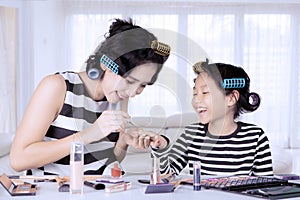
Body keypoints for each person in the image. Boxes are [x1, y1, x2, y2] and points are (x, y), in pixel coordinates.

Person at [10, 18, 170, 176]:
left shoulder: (118, 97)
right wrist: (87, 135)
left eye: (143, 85)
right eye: (130, 81)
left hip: (100, 190)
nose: (133, 92)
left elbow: (108, 161)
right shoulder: (58, 87)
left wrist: (123, 142)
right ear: (107, 64)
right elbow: (19, 160)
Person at [154, 59, 273, 176]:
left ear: (231, 98)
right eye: (195, 93)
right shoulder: (191, 134)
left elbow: (265, 186)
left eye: (205, 92)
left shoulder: (255, 137)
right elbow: (166, 176)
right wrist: (162, 146)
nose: (196, 100)